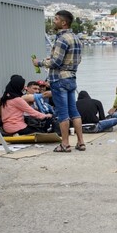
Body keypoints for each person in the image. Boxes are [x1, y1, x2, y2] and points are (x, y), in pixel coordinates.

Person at [32, 10, 85, 153]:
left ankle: (65, 144)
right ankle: (81, 142)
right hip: (72, 77)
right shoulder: (76, 38)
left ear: (63, 22)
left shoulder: (62, 39)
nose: (53, 21)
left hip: (59, 79)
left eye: (56, 19)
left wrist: (40, 63)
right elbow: (77, 60)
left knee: (63, 114)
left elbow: (56, 62)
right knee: (74, 112)